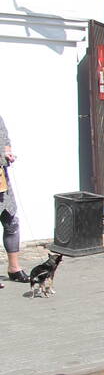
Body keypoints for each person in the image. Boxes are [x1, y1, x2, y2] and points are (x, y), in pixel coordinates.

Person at [0, 115, 29, 284]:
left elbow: (5, 138)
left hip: (2, 179)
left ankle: (14, 268)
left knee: (11, 221)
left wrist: (8, 151)